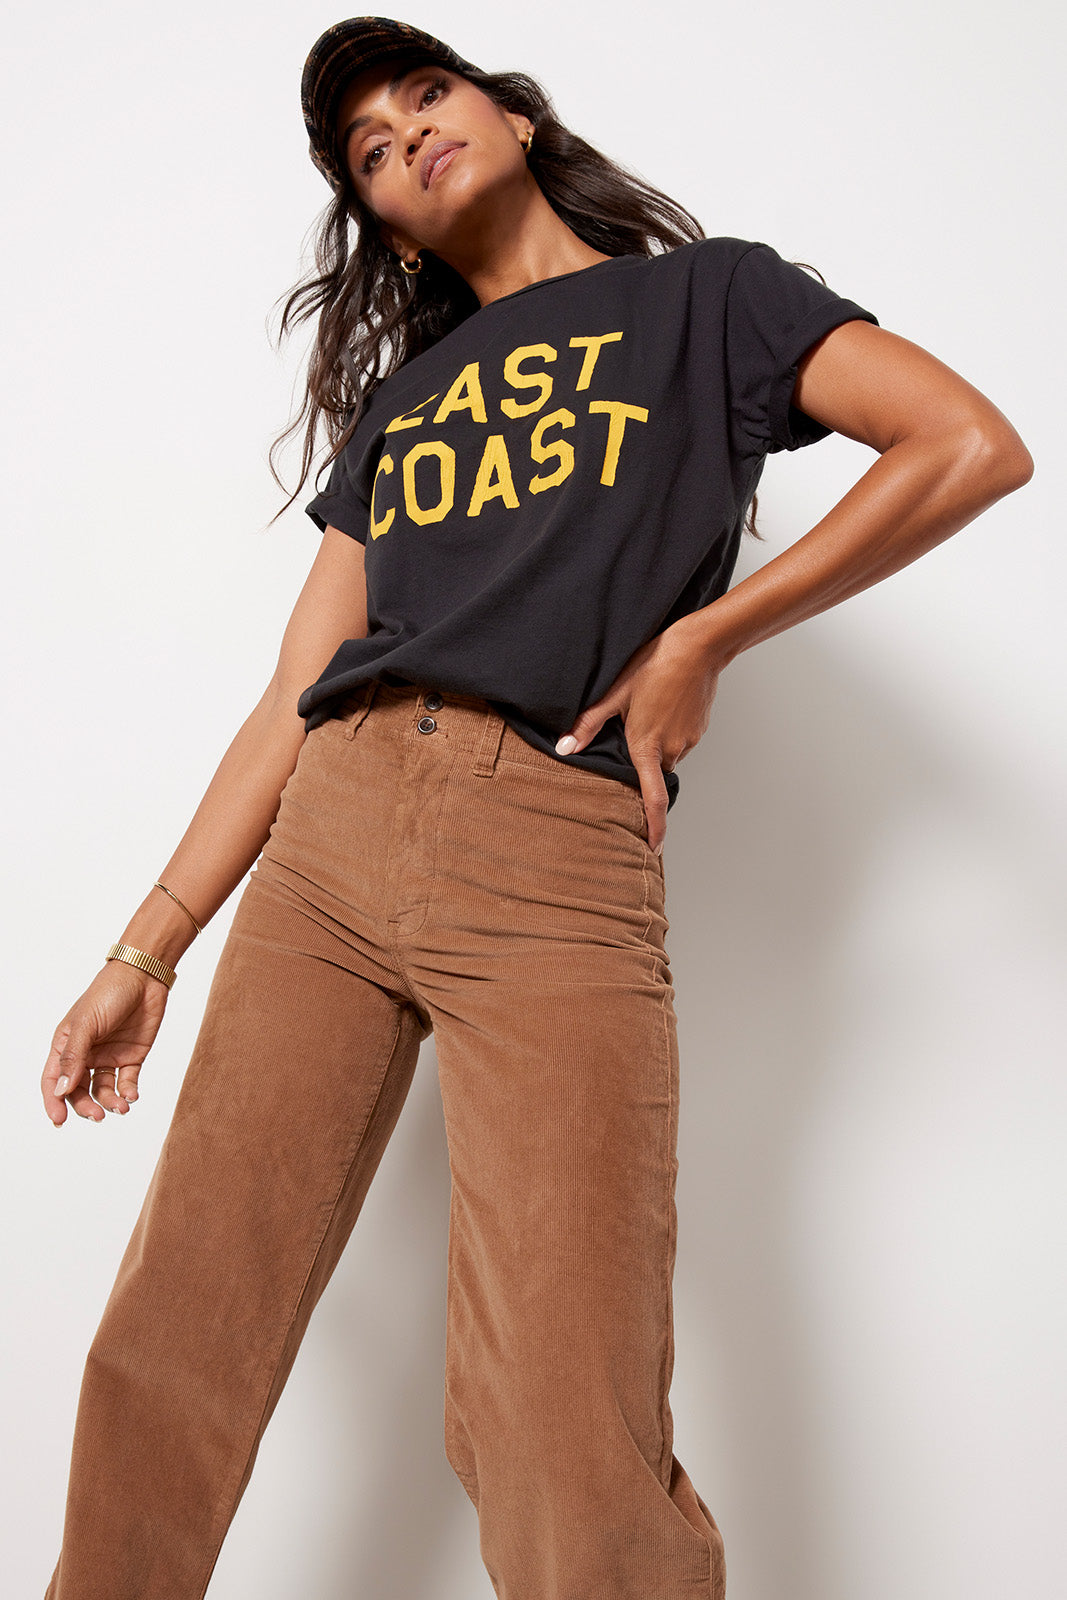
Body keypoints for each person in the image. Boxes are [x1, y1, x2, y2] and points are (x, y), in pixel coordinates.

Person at [39, 16, 1034, 1600]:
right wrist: (144, 952)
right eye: (371, 150)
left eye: (423, 94)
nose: (408, 137)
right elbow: (291, 694)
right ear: (386, 222)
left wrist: (708, 637)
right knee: (181, 1325)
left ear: (507, 111)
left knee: (564, 1407)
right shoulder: (408, 399)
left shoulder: (708, 301)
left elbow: (970, 444)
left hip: (553, 848)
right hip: (334, 841)